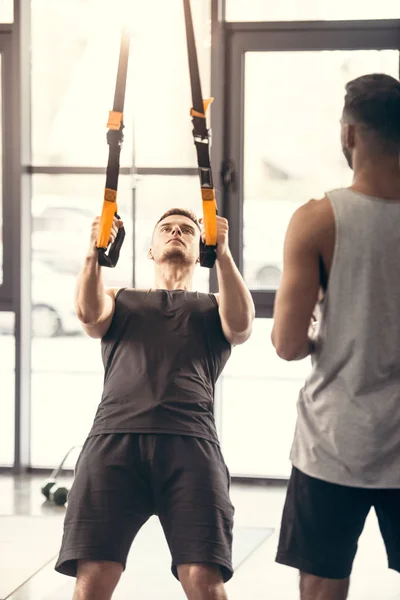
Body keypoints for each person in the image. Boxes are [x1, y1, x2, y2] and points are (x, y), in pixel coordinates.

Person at [55, 207, 255, 600]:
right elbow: (88, 314)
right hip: (113, 444)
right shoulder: (119, 298)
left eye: (188, 230)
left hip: (191, 447)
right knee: (92, 580)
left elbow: (243, 326)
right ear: (149, 250)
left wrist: (225, 253)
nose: (176, 232)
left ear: (202, 250)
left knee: (204, 580)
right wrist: (94, 251)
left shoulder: (215, 304)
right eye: (166, 228)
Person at [271, 73, 400, 600]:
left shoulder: (317, 219)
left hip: (334, 441)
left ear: (349, 134)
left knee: (323, 584)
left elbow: (285, 343)